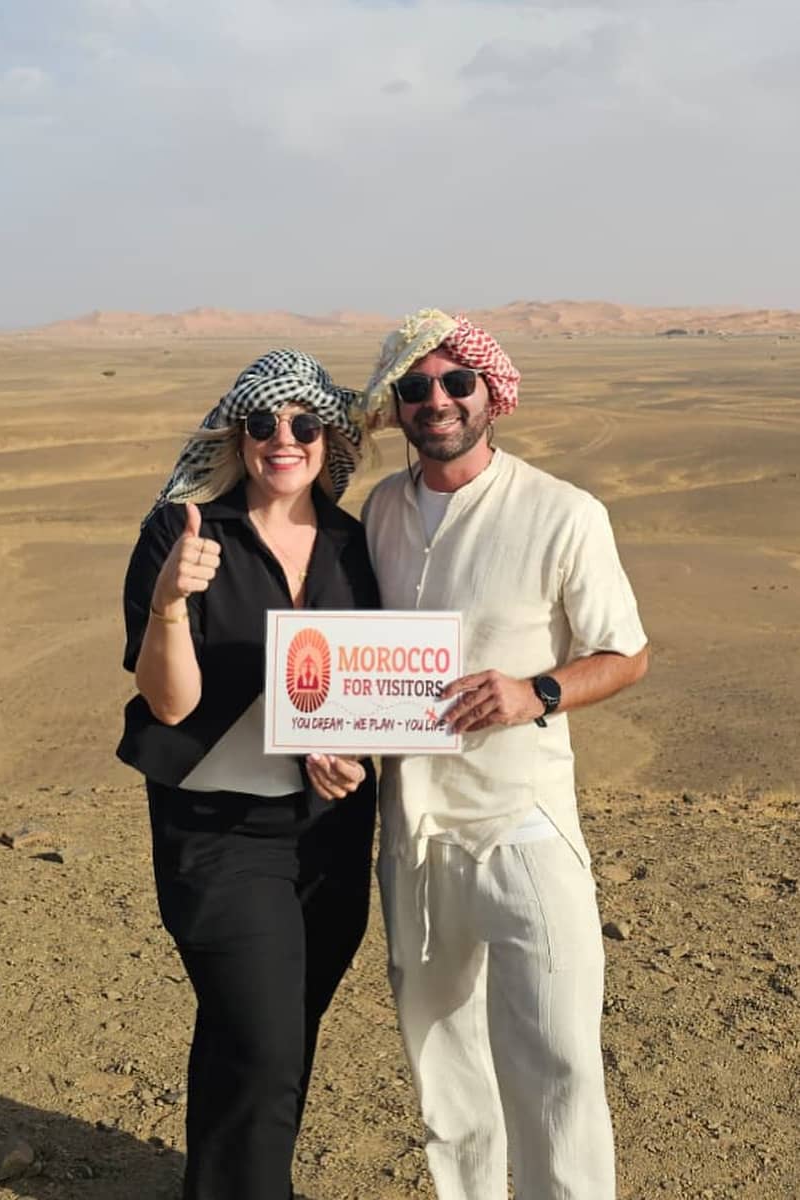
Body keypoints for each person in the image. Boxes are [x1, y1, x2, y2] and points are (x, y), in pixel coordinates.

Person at [360, 309, 649, 1200]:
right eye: (417, 387)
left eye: (458, 382)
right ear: (399, 406)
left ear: (493, 393)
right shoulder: (380, 511)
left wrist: (537, 693)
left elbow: (625, 653)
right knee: (444, 1066)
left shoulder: (563, 512)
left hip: (522, 823)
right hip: (414, 835)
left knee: (557, 1063)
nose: (438, 400)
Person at [116, 349, 379, 1200]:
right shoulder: (184, 533)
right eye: (262, 422)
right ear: (238, 435)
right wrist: (169, 604)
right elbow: (169, 705)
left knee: (273, 1035)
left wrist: (345, 747)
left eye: (304, 424)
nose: (282, 439)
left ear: (328, 438)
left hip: (329, 832)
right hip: (218, 832)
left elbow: (365, 684)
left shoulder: (352, 545)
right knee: (264, 1043)